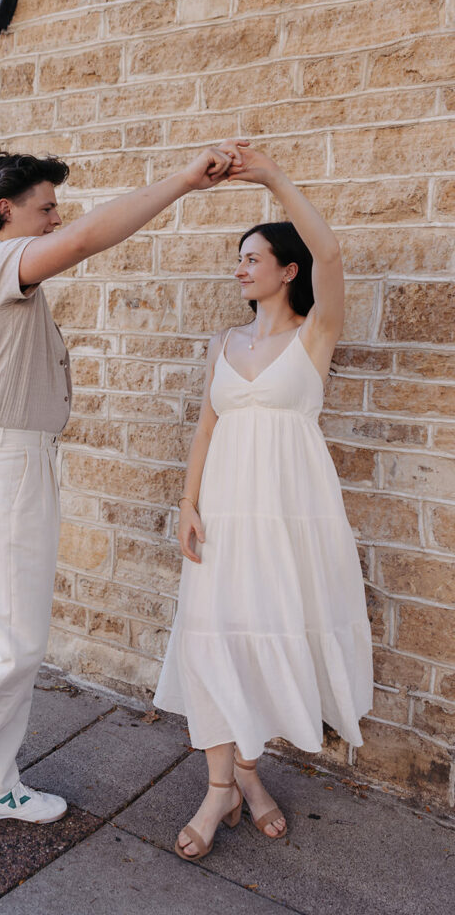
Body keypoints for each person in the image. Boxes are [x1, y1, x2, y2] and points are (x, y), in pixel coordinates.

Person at [0, 140, 245, 849]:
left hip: (16, 465)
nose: (55, 218)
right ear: (7, 209)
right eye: (45, 208)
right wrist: (183, 181)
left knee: (8, 644)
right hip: (3, 467)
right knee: (4, 651)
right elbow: (88, 238)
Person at [153, 146, 373, 861]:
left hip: (286, 518)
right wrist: (187, 503)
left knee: (266, 639)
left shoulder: (315, 337)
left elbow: (332, 255)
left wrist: (275, 177)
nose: (240, 268)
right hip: (221, 518)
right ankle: (222, 786)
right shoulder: (227, 340)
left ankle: (248, 774)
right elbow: (206, 426)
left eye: (254, 257)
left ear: (288, 270)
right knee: (212, 640)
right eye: (237, 258)